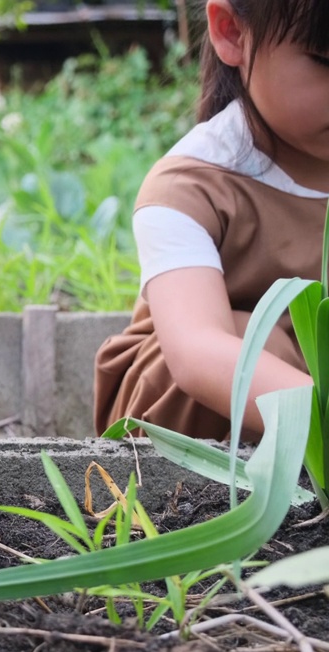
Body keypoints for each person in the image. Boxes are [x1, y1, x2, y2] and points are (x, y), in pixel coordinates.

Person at [93, 0, 329, 441]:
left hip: (312, 393)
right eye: (322, 62)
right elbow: (198, 353)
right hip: (188, 413)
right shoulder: (191, 187)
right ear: (232, 33)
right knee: (255, 339)